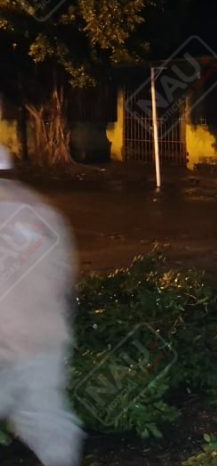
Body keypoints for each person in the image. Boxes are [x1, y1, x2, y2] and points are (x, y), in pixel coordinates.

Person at [0, 144, 84, 466]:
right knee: (50, 424)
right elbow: (65, 279)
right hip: (44, 338)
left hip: (7, 343)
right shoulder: (44, 212)